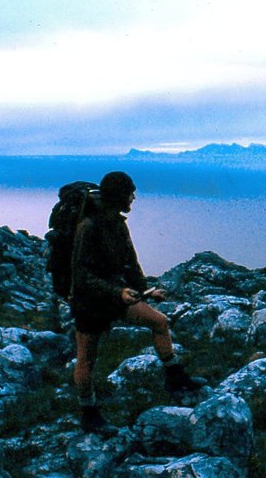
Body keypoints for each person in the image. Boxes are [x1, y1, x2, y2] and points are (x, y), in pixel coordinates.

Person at [70, 171, 203, 433]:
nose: (133, 197)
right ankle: (89, 414)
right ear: (118, 195)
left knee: (159, 322)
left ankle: (176, 379)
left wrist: (146, 289)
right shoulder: (88, 227)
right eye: (130, 192)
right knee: (86, 359)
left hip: (116, 296)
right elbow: (82, 276)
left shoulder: (118, 224)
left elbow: (130, 263)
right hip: (90, 303)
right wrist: (117, 293)